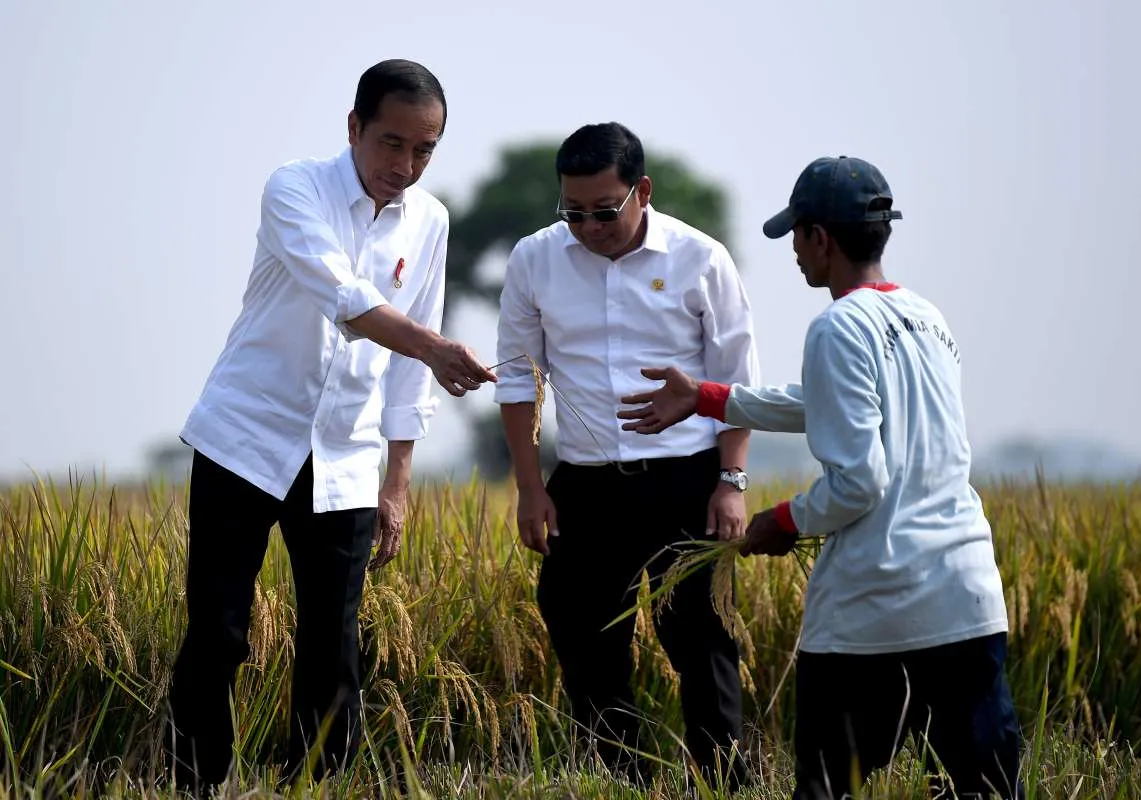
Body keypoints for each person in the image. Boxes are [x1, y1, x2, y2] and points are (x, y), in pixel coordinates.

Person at [617, 155, 1025, 799]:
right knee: (986, 787)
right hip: (967, 599)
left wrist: (776, 524)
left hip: (875, 606)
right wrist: (709, 398)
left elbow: (860, 481)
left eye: (797, 238)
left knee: (828, 787)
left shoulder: (837, 326)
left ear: (820, 239)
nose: (795, 255)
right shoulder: (926, 318)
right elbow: (831, 402)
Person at [163, 59, 497, 795]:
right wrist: (435, 348)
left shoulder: (431, 220)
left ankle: (315, 785)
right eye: (390, 144)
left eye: (424, 150)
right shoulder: (295, 188)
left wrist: (399, 480)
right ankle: (194, 782)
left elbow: (414, 366)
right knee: (218, 631)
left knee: (333, 644)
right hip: (245, 439)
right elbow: (342, 299)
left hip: (347, 455)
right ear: (353, 129)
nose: (404, 166)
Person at [493, 122, 760, 788]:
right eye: (573, 211)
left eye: (604, 211)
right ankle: (621, 778)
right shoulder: (536, 258)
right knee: (581, 631)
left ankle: (727, 782)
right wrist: (531, 487)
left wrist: (731, 481)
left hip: (686, 482)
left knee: (702, 641)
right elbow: (520, 376)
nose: (589, 226)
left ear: (641, 191)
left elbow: (738, 383)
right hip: (585, 484)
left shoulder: (701, 259)